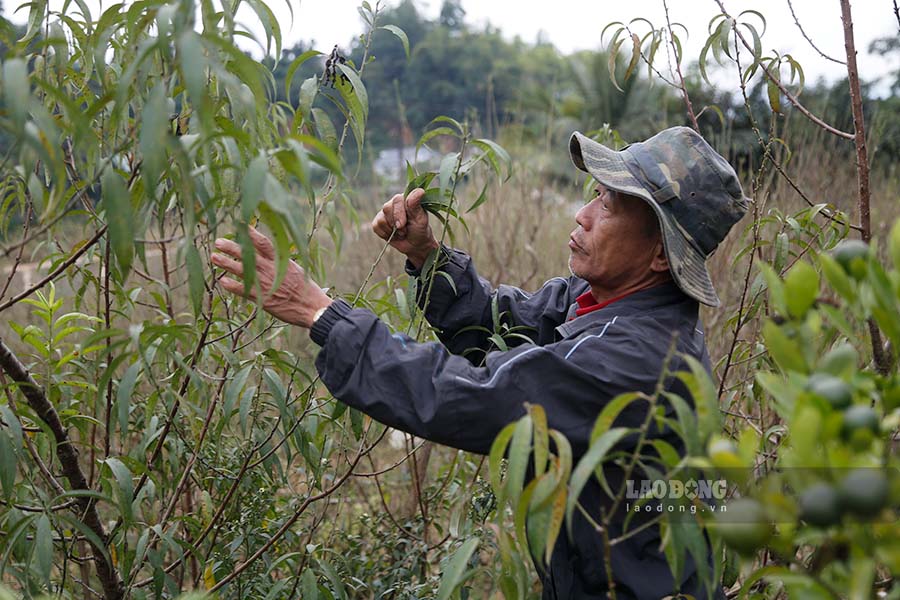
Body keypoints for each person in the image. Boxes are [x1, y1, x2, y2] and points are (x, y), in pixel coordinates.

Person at [211, 126, 748, 599]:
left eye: (609, 205)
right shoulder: (601, 301)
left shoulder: (636, 360)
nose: (581, 215)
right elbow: (504, 322)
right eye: (595, 194)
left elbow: (477, 396)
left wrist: (321, 313)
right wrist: (428, 257)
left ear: (660, 254)